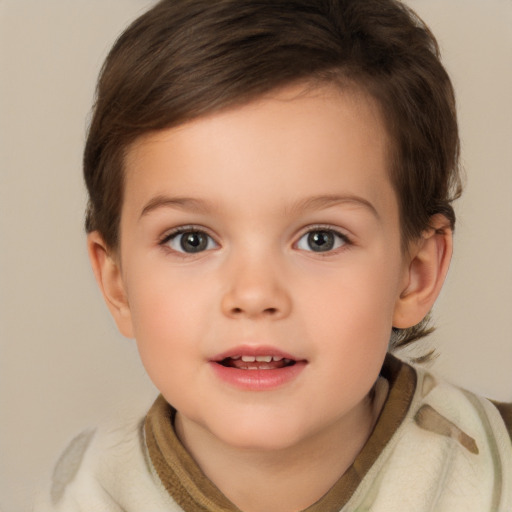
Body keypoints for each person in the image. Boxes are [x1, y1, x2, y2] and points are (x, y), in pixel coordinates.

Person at [34, 0, 512, 510]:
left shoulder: (493, 469)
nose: (255, 294)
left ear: (413, 275)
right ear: (117, 282)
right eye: (191, 239)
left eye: (320, 239)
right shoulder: (78, 492)